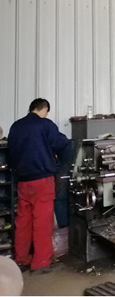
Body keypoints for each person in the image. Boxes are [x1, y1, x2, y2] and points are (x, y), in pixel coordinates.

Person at [8, 99, 71, 273]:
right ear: (44, 109)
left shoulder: (15, 127)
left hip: (23, 181)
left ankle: (21, 259)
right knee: (42, 221)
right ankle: (41, 262)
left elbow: (12, 154)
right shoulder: (45, 124)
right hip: (42, 180)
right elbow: (62, 143)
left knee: (23, 220)